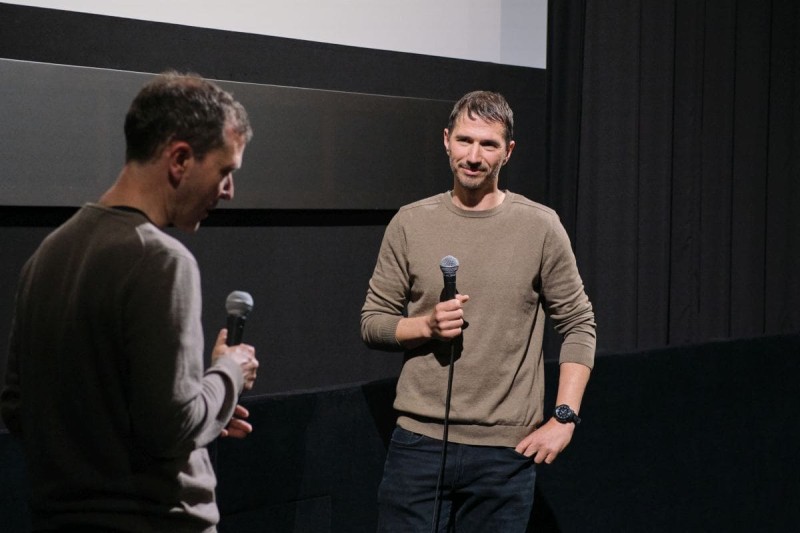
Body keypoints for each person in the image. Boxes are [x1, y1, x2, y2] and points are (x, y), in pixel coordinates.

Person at [0, 71, 259, 532]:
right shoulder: (161, 261)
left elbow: (18, 408)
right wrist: (230, 372)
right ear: (180, 159)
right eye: (225, 171)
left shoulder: (46, 256)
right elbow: (171, 427)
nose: (229, 192)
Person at [361, 90, 596, 531]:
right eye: (465, 141)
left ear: (507, 152)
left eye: (488, 144)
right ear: (446, 140)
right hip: (419, 443)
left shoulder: (540, 226)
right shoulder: (410, 222)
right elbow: (373, 322)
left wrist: (564, 417)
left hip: (505, 453)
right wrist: (425, 325)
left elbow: (579, 324)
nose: (473, 156)